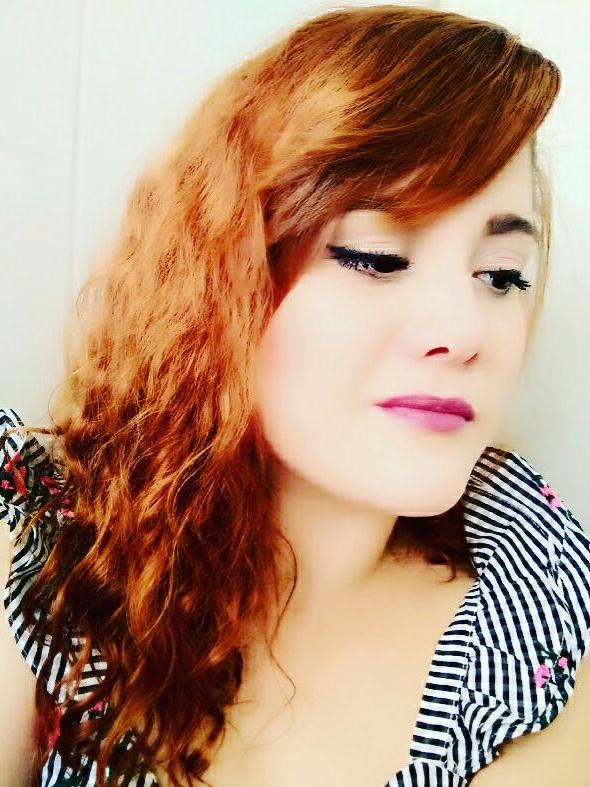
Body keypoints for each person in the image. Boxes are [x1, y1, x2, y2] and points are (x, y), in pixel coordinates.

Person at [1, 4, 589, 787]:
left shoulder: (536, 649)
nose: (464, 328)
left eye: (502, 275)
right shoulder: (41, 542)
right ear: (226, 274)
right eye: (377, 256)